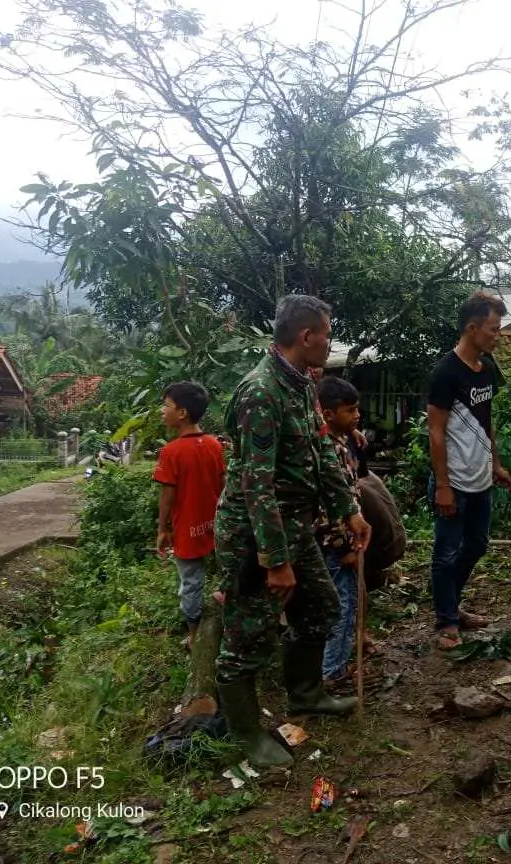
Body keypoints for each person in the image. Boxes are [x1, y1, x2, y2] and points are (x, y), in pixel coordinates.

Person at [213, 294, 371, 770]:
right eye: (327, 332)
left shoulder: (302, 384)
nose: (329, 341)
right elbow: (255, 483)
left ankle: (305, 694)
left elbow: (321, 451)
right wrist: (274, 561)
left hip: (296, 524)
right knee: (247, 637)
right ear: (307, 337)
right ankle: (244, 733)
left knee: (322, 605)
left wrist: (349, 509)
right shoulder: (260, 392)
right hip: (256, 535)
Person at [426, 291, 511, 651]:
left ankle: (451, 603)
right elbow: (436, 431)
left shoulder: (488, 368)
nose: (498, 335)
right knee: (445, 552)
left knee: (476, 544)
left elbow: (486, 420)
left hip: (481, 477)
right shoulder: (446, 373)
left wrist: (495, 462)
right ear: (472, 327)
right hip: (455, 480)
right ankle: (446, 619)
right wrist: (443, 485)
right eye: (493, 329)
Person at [153, 382, 226, 650]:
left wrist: (163, 528)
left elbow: (167, 497)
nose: (162, 411)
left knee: (191, 583)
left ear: (182, 413)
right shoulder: (214, 445)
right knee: (227, 570)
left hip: (187, 527)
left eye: (166, 405)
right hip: (217, 525)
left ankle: (195, 636)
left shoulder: (171, 452)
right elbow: (222, 484)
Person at [315, 375, 367, 683]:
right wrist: (346, 546)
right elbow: (329, 506)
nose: (357, 415)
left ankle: (338, 659)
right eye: (350, 411)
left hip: (342, 539)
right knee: (341, 604)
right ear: (329, 415)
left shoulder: (336, 442)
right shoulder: (328, 454)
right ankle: (332, 670)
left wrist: (353, 431)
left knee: (345, 601)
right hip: (335, 544)